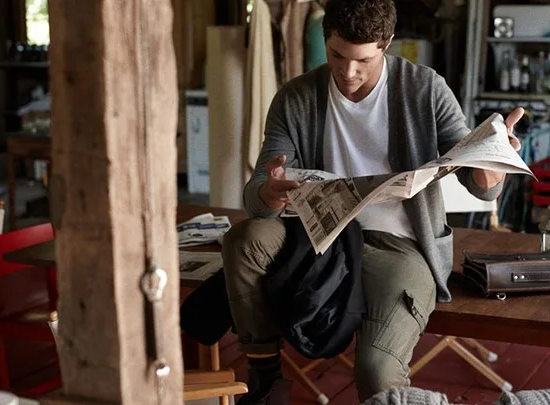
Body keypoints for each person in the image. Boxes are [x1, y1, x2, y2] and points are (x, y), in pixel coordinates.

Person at [221, 0, 524, 403]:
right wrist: (269, 192)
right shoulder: (296, 97)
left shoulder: (424, 88)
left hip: (401, 247)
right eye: (337, 55)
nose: (348, 73)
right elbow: (257, 194)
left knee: (377, 369)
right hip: (318, 240)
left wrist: (492, 163)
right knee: (245, 237)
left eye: (362, 60)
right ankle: (266, 382)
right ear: (325, 40)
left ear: (387, 44)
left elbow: (481, 183)